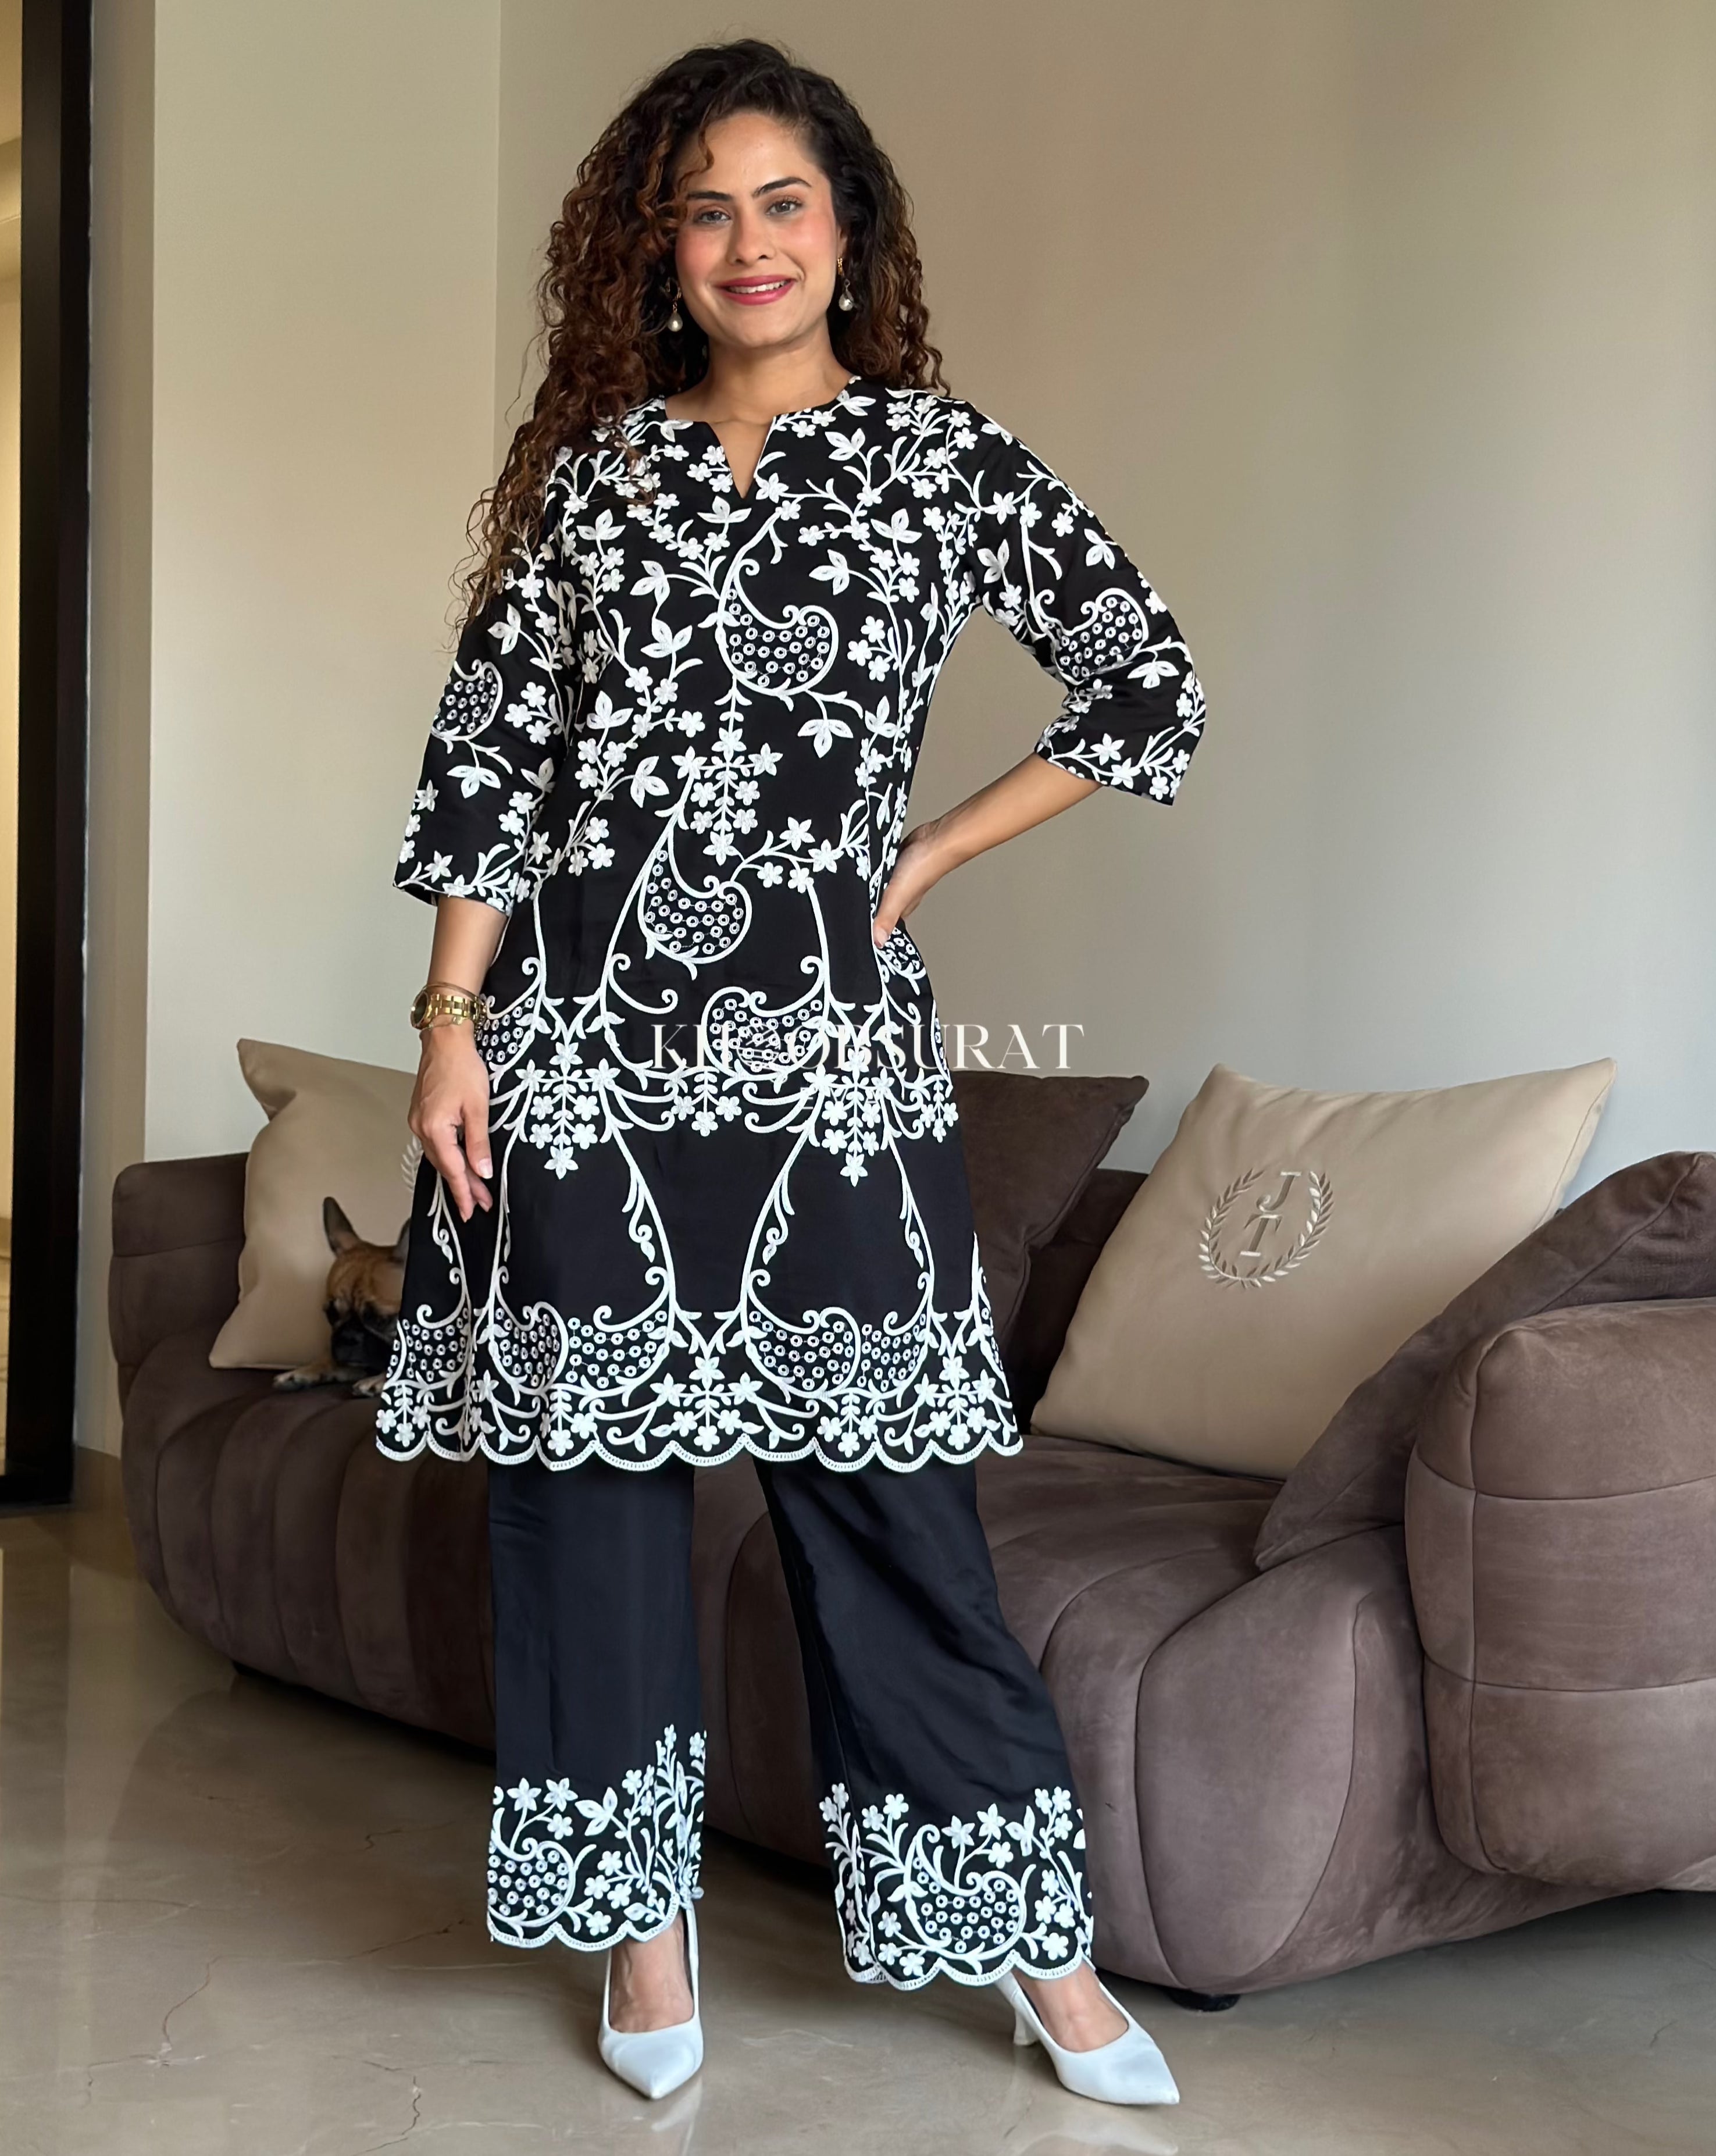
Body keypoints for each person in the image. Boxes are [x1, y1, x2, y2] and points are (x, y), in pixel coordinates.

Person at [376, 35, 1204, 2109]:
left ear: (850, 232)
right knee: (586, 1499)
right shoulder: (598, 478)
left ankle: (1036, 1946)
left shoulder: (941, 461)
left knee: (892, 1501)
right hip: (577, 1053)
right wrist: (452, 1021)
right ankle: (641, 1934)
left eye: (783, 202)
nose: (747, 242)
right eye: (706, 209)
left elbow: (1146, 677)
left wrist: (928, 853)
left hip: (826, 1062)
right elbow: (494, 764)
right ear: (657, 249)